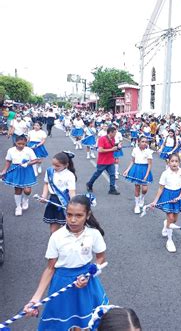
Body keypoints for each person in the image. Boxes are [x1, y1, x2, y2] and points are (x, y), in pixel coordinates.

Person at [23, 195, 108, 330]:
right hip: (61, 283)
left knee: (85, 324)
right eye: (69, 215)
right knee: (63, 324)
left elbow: (101, 257)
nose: (73, 220)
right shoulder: (57, 237)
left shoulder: (94, 234)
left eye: (79, 215)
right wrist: (36, 298)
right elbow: (50, 268)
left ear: (88, 215)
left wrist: (90, 274)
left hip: (86, 283)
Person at [151, 154, 181, 253]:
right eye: (172, 161)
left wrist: (180, 196)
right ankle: (170, 240)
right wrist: (155, 201)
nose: (174, 163)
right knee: (171, 218)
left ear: (179, 163)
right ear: (168, 162)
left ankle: (166, 224)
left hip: (178, 196)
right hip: (167, 195)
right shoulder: (165, 173)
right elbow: (161, 188)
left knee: (174, 220)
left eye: (176, 161)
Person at [1, 135, 39, 216]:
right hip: (16, 170)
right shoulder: (11, 150)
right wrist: (4, 171)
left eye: (23, 144)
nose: (21, 145)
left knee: (27, 190)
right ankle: (18, 207)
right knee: (17, 189)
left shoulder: (29, 150)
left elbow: (36, 160)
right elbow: (8, 161)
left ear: (26, 143)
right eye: (19, 143)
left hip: (27, 170)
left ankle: (25, 199)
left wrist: (27, 163)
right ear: (15, 142)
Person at [39, 151, 77, 233]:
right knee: (53, 231)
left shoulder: (69, 175)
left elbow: (72, 192)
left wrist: (74, 205)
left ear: (66, 165)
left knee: (68, 229)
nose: (54, 167)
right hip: (53, 200)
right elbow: (46, 183)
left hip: (64, 201)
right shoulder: (49, 171)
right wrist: (44, 195)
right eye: (53, 164)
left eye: (57, 166)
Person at [86, 127, 121, 195]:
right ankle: (89, 184)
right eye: (114, 133)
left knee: (112, 175)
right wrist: (112, 149)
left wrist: (117, 148)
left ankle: (112, 189)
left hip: (110, 160)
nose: (115, 134)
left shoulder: (113, 139)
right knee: (97, 174)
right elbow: (100, 150)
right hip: (103, 161)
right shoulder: (102, 139)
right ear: (110, 132)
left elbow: (112, 147)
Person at [123, 136, 153, 214]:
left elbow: (149, 164)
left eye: (146, 142)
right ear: (138, 142)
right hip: (136, 168)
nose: (144, 143)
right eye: (142, 141)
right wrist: (127, 170)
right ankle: (136, 205)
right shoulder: (135, 150)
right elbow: (132, 161)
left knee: (144, 189)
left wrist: (146, 175)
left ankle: (142, 198)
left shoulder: (148, 152)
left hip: (144, 169)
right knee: (137, 187)